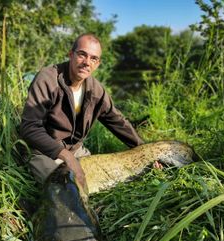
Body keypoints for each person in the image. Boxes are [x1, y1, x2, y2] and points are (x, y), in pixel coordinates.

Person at [20, 33, 144, 189]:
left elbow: (117, 122)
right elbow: (29, 127)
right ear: (71, 54)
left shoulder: (96, 90)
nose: (87, 63)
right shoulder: (47, 79)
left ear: (97, 64)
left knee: (106, 184)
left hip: (76, 151)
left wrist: (144, 149)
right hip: (43, 151)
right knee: (66, 188)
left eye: (93, 58)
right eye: (82, 55)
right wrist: (66, 157)